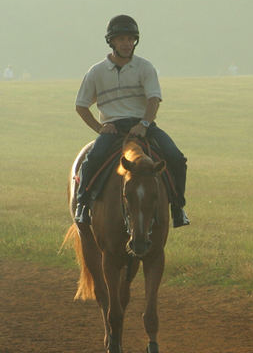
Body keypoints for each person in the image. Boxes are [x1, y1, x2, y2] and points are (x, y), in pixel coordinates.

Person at [73, 14, 190, 228]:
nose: (127, 44)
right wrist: (100, 128)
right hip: (113, 129)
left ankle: (178, 207)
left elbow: (154, 99)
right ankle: (82, 205)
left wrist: (144, 124)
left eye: (130, 39)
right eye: (121, 39)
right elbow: (81, 106)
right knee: (93, 159)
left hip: (143, 126)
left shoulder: (145, 67)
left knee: (176, 157)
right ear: (112, 42)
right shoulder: (96, 72)